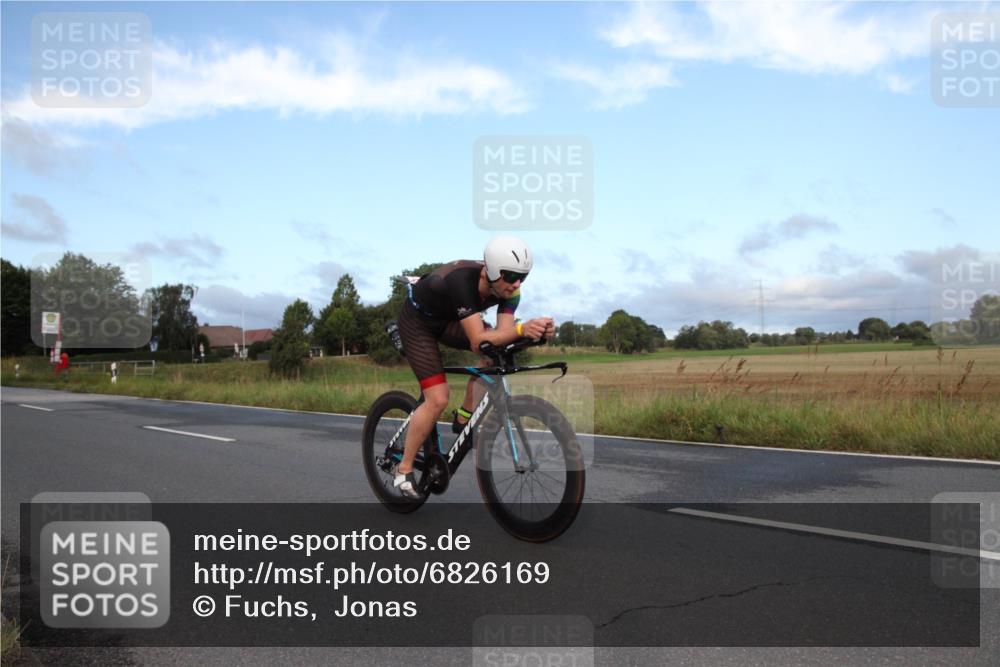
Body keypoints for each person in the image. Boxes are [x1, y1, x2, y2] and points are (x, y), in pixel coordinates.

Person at [393, 236, 555, 499]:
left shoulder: (511, 291)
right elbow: (478, 340)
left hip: (448, 320)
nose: (516, 284)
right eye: (511, 275)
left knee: (494, 353)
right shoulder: (462, 281)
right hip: (418, 323)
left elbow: (502, 335)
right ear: (491, 270)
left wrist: (535, 334)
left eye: (523, 277)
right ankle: (404, 468)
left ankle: (463, 418)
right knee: (437, 399)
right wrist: (521, 329)